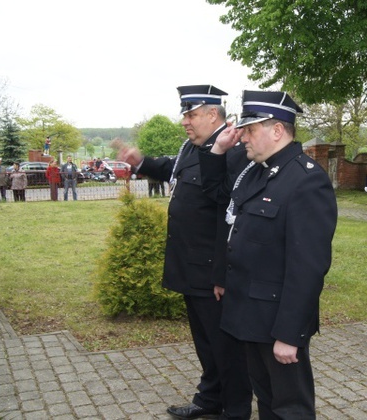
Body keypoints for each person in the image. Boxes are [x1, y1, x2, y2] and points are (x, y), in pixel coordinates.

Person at [200, 90, 337, 419]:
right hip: (249, 315)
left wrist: (289, 334)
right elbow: (225, 206)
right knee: (267, 401)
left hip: (277, 321)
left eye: (250, 130)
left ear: (277, 131)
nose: (242, 137)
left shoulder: (306, 181)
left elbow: (308, 268)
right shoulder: (258, 171)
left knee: (291, 407)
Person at [118, 85, 252, 420]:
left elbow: (231, 214)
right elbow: (173, 167)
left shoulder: (232, 150)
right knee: (207, 342)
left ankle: (235, 410)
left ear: (212, 114)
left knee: (225, 346)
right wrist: (143, 162)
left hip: (213, 267)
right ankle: (209, 400)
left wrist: (222, 272)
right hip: (192, 264)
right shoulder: (196, 147)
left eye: (191, 115)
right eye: (185, 115)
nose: (185, 122)